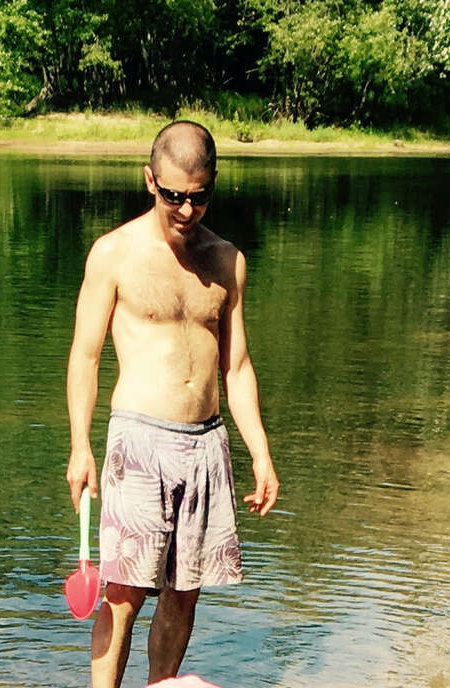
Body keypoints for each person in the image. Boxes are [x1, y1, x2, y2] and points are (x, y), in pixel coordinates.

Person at [66, 120, 279, 688]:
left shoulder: (228, 261)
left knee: (185, 593)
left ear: (214, 186)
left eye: (199, 196)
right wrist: (79, 447)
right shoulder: (113, 254)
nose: (186, 209)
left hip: (206, 443)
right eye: (173, 196)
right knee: (123, 593)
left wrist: (260, 452)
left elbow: (236, 367)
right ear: (149, 181)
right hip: (138, 440)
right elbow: (84, 357)